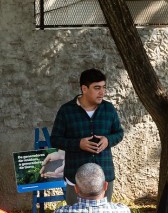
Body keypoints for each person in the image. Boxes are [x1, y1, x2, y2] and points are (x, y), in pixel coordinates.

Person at [50, 68, 124, 202]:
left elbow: (119, 133)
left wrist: (108, 140)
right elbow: (55, 140)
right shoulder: (66, 111)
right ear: (84, 89)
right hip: (76, 176)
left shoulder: (109, 109)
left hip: (104, 174)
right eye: (97, 88)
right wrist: (78, 144)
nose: (102, 92)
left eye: (103, 87)